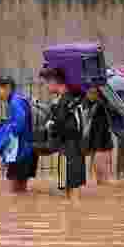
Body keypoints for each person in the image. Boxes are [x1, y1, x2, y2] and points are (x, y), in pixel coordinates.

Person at [43, 67, 86, 200]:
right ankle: (69, 217)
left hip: (70, 148)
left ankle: (72, 218)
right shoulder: (68, 99)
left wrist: (51, 125)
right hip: (68, 148)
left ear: (56, 82)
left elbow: (66, 126)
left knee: (72, 189)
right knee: (65, 186)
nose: (46, 86)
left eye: (47, 82)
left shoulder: (66, 100)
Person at [0, 76, 37, 193]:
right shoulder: (20, 99)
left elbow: (19, 124)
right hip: (27, 151)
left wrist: (4, 137)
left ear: (7, 87)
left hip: (19, 153)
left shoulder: (14, 102)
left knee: (14, 192)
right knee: (22, 192)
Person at [83, 84, 114, 185]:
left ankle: (102, 179)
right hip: (95, 131)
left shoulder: (101, 103)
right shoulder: (89, 102)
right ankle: (100, 179)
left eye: (93, 93)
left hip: (100, 132)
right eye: (89, 93)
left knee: (99, 154)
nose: (91, 95)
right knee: (97, 153)